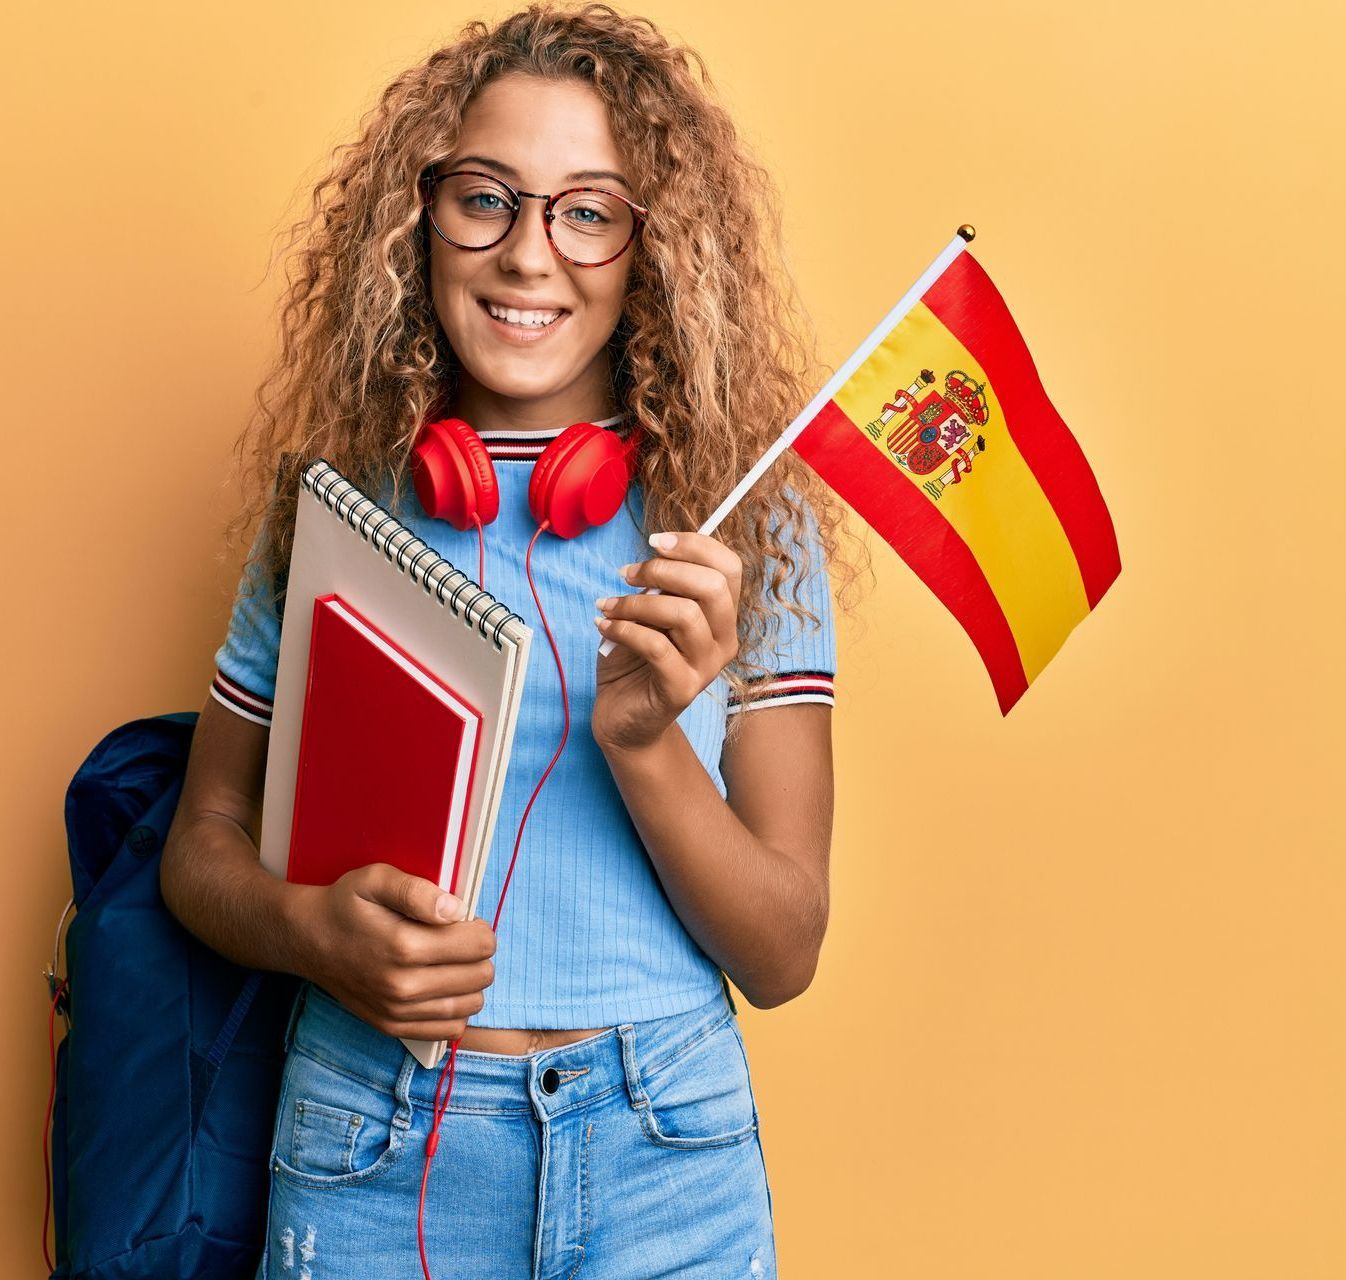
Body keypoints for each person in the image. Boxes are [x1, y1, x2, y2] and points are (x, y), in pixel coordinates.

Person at [161, 4, 864, 1276]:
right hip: (369, 1133)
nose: (530, 255)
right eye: (484, 198)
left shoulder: (739, 526)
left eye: (588, 212)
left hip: (666, 1151)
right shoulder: (337, 502)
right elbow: (198, 846)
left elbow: (783, 952)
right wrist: (310, 931)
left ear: (653, 250)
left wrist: (642, 743)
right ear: (418, 217)